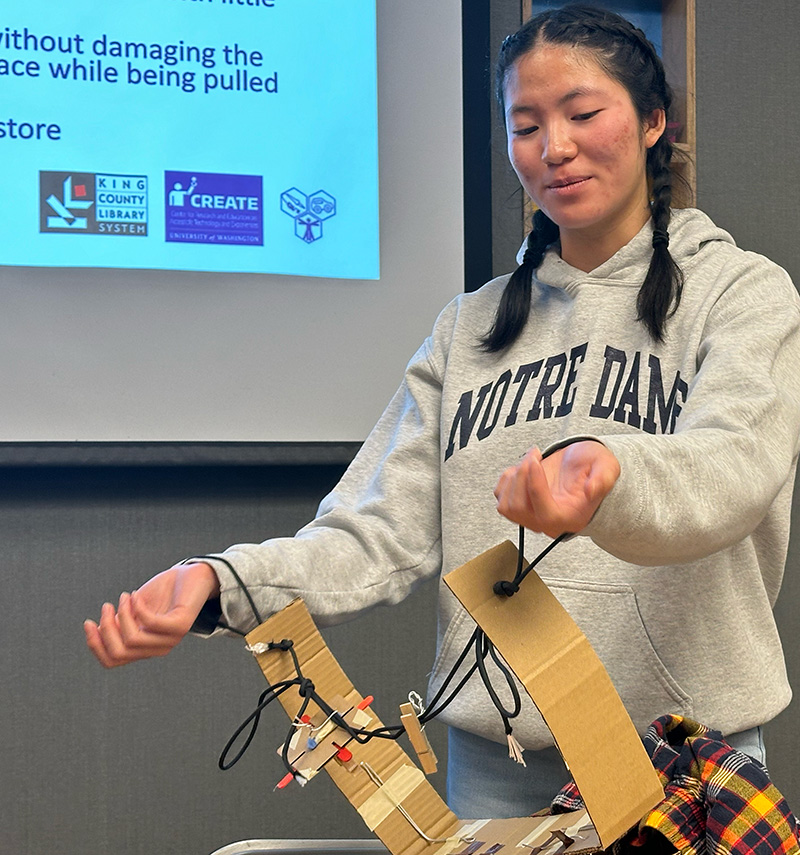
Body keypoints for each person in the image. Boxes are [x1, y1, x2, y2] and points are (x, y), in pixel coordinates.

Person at [85, 4, 800, 820]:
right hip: (497, 765)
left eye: (583, 113)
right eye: (525, 124)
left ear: (651, 122)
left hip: (684, 759)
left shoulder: (741, 293)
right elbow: (371, 530)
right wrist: (220, 579)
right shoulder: (469, 327)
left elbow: (735, 468)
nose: (554, 148)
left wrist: (611, 476)